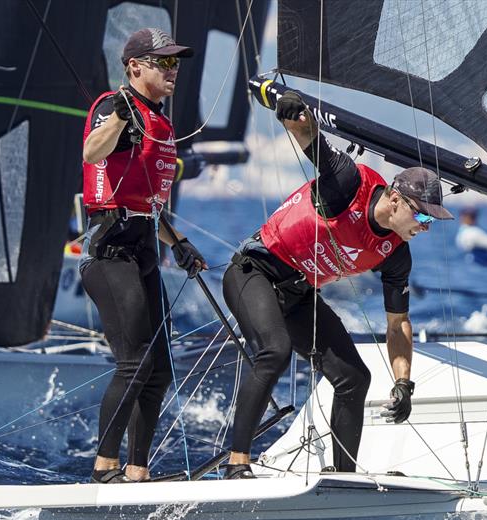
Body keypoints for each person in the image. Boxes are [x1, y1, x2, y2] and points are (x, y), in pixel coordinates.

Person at [221, 91, 454, 479]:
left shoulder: (396, 253)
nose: (423, 228)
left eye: (430, 223)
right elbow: (313, 141)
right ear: (395, 200)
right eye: (422, 218)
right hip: (253, 274)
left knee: (355, 379)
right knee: (274, 351)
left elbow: (398, 324)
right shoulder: (348, 183)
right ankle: (236, 463)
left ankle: (343, 477)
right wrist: (292, 110)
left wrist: (403, 382)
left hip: (297, 296)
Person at [80, 28, 206, 483]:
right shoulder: (112, 106)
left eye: (176, 63)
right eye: (164, 63)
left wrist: (181, 244)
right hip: (108, 250)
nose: (174, 71)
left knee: (159, 371)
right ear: (135, 67)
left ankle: (137, 471)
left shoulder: (162, 123)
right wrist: (117, 122)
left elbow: (151, 204)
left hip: (145, 247)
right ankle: (103, 468)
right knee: (133, 361)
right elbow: (93, 152)